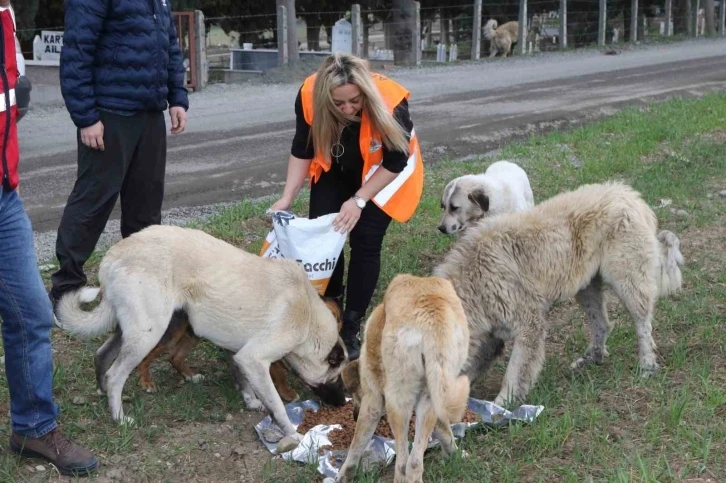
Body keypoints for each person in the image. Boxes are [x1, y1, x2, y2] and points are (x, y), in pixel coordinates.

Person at [270, 53, 424, 360]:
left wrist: (359, 200)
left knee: (365, 240)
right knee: (327, 235)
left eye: (354, 101)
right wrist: (287, 197)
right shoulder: (308, 95)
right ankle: (330, 312)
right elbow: (303, 147)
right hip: (338, 168)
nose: (348, 109)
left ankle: (351, 325)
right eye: (338, 104)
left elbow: (396, 160)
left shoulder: (390, 102)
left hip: (386, 173)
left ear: (365, 92)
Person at [0, 0, 98, 476]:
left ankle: (33, 428)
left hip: (4, 196)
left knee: (32, 315)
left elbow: (12, 104)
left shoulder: (6, 15)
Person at [49, 0, 189, 311]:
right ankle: (66, 291)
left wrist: (176, 95)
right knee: (92, 203)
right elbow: (77, 54)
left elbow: (169, 44)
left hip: (149, 113)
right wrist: (86, 117)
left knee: (146, 209)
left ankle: (140, 288)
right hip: (108, 114)